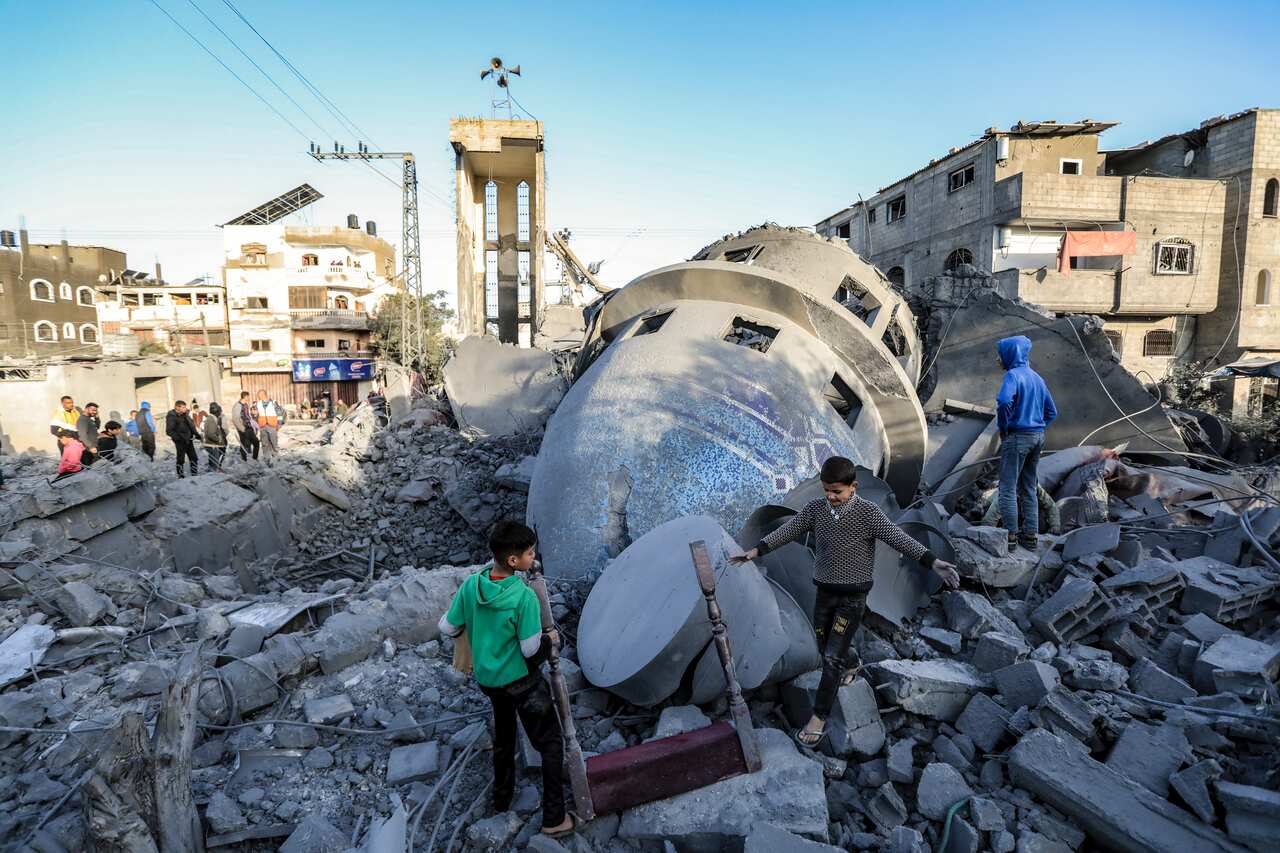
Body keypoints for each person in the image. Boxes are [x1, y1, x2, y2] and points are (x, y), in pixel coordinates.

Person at [731, 456, 960, 748]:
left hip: (853, 598)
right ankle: (853, 662)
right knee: (823, 642)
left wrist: (934, 561)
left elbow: (898, 539)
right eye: (827, 490)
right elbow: (788, 531)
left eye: (837, 491)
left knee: (830, 657)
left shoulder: (868, 513)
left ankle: (819, 719)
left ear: (853, 487)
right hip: (824, 592)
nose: (831, 496)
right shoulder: (816, 509)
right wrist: (754, 552)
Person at [436, 520, 577, 839]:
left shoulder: (473, 584)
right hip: (522, 684)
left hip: (489, 681)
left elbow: (447, 627)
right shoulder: (523, 598)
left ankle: (501, 799)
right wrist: (550, 638)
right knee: (550, 743)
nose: (534, 557)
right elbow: (530, 650)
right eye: (529, 553)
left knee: (504, 734)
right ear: (513, 561)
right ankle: (554, 818)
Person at [994, 336, 1058, 551]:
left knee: (1007, 487)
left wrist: (1005, 428)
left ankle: (1010, 537)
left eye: (1000, 354)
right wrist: (1037, 426)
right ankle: (1030, 537)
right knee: (1029, 486)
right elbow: (1052, 412)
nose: (998, 358)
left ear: (1010, 354)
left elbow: (1003, 401)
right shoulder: (1038, 379)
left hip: (1017, 437)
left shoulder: (1012, 376)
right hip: (1037, 437)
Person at [980, 485, 1061, 535]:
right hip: (999, 509)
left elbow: (1051, 506)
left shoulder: (1037, 490)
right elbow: (989, 520)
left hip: (1023, 514)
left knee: (1041, 525)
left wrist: (1055, 525)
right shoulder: (1006, 494)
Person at [165, 400, 199, 478]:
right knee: (181, 459)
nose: (185, 409)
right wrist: (179, 438)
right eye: (183, 407)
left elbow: (191, 425)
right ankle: (181, 476)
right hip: (180, 441)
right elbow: (169, 431)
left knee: (194, 458)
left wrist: (197, 435)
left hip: (189, 440)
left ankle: (195, 475)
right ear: (177, 407)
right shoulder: (172, 416)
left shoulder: (185, 414)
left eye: (185, 407)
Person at [252, 390, 285, 464]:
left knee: (273, 442)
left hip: (272, 425)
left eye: (259, 395)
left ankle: (276, 457)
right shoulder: (258, 404)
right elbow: (256, 415)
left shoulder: (273, 403)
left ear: (264, 394)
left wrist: (279, 424)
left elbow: (280, 413)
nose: (258, 396)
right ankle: (266, 458)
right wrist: (256, 417)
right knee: (264, 443)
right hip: (263, 425)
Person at [232, 391, 260, 462]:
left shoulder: (246, 405)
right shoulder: (238, 406)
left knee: (256, 442)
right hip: (243, 428)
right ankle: (244, 460)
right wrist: (242, 429)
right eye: (248, 396)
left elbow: (248, 416)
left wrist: (253, 425)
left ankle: (255, 458)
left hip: (249, 427)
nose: (249, 398)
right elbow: (235, 419)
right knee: (244, 444)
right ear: (245, 397)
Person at [203, 402, 228, 471]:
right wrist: (219, 439)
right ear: (216, 412)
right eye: (219, 412)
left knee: (214, 461)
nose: (220, 413)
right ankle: (214, 474)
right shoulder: (211, 419)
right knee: (215, 463)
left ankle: (213, 472)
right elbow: (211, 434)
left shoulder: (212, 418)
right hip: (212, 445)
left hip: (212, 444)